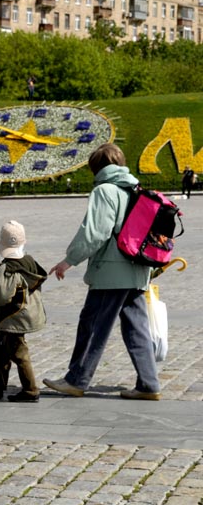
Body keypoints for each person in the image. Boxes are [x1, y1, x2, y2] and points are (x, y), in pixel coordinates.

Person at [43, 143, 161, 401]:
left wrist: (68, 261)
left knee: (93, 325)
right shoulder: (137, 189)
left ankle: (76, 380)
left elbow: (95, 232)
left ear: (96, 168)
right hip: (137, 270)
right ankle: (149, 383)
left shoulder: (105, 191)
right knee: (136, 328)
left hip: (111, 273)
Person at [0, 221, 47, 403]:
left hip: (13, 317)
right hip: (27, 313)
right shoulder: (30, 262)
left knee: (19, 352)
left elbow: (1, 296)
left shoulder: (7, 268)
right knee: (0, 348)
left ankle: (30, 390)